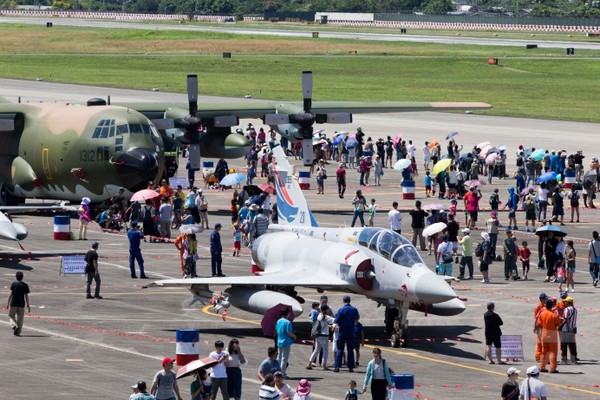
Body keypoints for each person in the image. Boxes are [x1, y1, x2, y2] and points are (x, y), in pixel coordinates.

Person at [334, 295, 360, 372]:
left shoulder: (341, 310)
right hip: (351, 331)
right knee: (350, 349)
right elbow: (357, 318)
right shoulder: (354, 309)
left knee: (340, 349)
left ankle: (337, 366)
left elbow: (336, 321)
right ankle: (351, 367)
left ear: (343, 301)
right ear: (350, 301)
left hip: (342, 331)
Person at [538, 298, 563, 373]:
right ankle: (552, 368)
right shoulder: (553, 315)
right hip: (552, 334)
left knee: (544, 351)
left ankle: (542, 367)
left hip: (544, 334)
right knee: (553, 352)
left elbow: (539, 324)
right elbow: (558, 324)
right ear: (552, 306)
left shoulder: (542, 314)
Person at [307, 304, 334, 370]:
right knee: (325, 351)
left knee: (316, 350)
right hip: (324, 336)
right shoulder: (327, 317)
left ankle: (309, 363)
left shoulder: (319, 315)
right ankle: (323, 365)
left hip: (318, 335)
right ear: (326, 310)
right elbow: (334, 320)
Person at [7, 271, 30, 336]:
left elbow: (11, 294)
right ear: (22, 277)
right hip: (21, 304)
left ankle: (14, 325)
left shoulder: (13, 284)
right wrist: (28, 304)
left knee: (11, 315)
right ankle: (18, 332)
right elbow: (26, 295)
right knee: (20, 319)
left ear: (16, 277)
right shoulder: (25, 285)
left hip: (13, 303)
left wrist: (8, 303)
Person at [276, 307, 296, 378]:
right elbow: (289, 332)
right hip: (286, 342)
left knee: (279, 357)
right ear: (287, 314)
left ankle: (277, 372)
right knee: (284, 359)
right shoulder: (288, 322)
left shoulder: (278, 321)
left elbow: (277, 331)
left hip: (279, 341)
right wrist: (294, 336)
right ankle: (282, 373)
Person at [560, 296, 578, 364]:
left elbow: (566, 319)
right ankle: (573, 359)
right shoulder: (575, 309)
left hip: (567, 329)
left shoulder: (567, 309)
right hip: (573, 328)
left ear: (568, 302)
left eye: (565, 301)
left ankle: (564, 359)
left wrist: (568, 328)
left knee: (564, 344)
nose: (564, 302)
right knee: (572, 344)